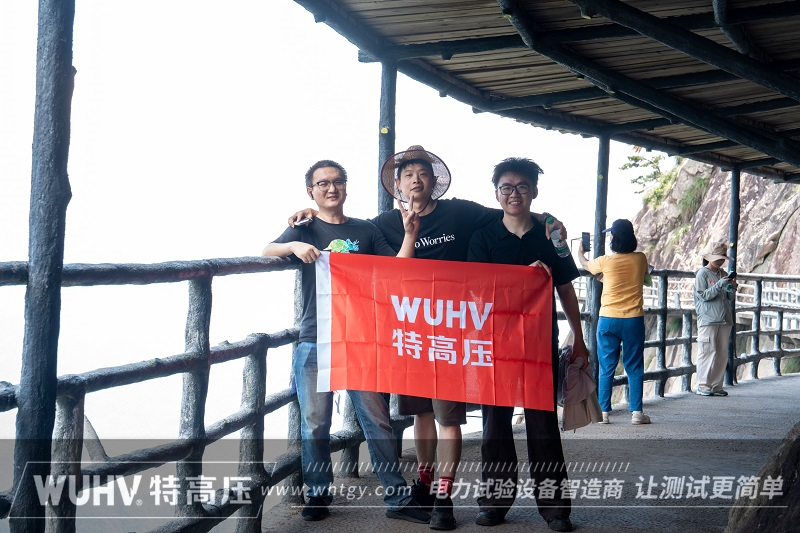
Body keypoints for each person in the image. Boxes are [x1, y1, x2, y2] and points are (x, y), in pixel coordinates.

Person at [287, 146, 567, 531]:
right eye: (408, 175)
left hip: (456, 335)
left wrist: (550, 219)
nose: (416, 180)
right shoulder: (382, 225)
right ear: (397, 184)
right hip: (410, 335)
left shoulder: (461, 212)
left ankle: (445, 496)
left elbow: (511, 211)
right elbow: (355, 244)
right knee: (423, 414)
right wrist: (305, 219)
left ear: (435, 180)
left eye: (423, 173)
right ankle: (425, 483)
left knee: (452, 417)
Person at [262, 159, 430, 524]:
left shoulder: (365, 230)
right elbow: (267, 250)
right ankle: (318, 495)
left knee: (377, 420)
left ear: (346, 187)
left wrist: (410, 234)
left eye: (337, 182)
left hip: (360, 339)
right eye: (323, 184)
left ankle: (398, 497)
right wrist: (294, 246)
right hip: (314, 338)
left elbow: (398, 268)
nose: (331, 188)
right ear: (311, 191)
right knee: (315, 424)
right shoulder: (305, 227)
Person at [467, 157, 588, 533]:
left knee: (542, 425)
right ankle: (494, 503)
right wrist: (522, 276)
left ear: (534, 191)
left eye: (522, 186)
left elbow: (565, 288)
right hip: (495, 345)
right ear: (496, 194)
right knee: (495, 427)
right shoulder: (483, 238)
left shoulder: (552, 237)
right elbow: (476, 292)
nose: (514, 193)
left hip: (539, 344)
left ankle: (556, 509)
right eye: (506, 187)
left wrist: (579, 338)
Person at [577, 218, 651, 425]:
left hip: (608, 319)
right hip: (633, 319)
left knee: (607, 366)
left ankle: (604, 413)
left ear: (614, 239)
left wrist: (580, 251)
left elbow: (585, 264)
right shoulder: (641, 258)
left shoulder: (605, 262)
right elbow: (643, 277)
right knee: (634, 366)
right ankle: (637, 413)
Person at [693, 242, 737, 396]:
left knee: (722, 353)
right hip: (708, 319)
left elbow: (729, 298)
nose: (720, 260)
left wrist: (731, 288)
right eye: (717, 257)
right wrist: (719, 285)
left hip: (724, 318)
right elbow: (703, 296)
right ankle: (703, 384)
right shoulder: (702, 274)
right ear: (709, 257)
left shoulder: (723, 274)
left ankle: (717, 385)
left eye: (722, 258)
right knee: (707, 352)